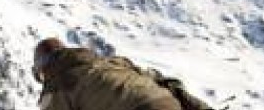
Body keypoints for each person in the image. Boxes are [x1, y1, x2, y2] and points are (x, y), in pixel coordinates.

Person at [32, 37, 213, 110]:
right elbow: (167, 83)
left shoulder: (57, 85)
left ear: (44, 68)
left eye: (41, 76)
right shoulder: (113, 63)